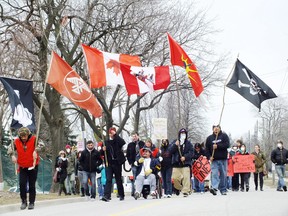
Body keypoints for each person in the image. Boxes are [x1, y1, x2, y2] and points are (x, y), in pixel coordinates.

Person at [7, 127, 41, 210]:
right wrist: (12, 155)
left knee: (32, 184)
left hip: (33, 165)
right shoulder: (16, 141)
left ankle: (32, 202)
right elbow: (9, 148)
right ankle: (23, 201)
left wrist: (36, 150)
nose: (23, 138)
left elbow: (42, 146)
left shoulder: (34, 139)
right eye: (21, 136)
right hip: (22, 166)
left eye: (25, 136)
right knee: (22, 184)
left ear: (28, 134)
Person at [101, 127, 126, 201]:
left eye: (113, 133)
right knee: (108, 179)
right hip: (109, 163)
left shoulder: (118, 141)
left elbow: (122, 142)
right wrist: (102, 150)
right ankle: (106, 195)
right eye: (110, 133)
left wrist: (116, 135)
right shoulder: (106, 142)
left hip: (117, 163)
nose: (111, 134)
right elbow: (102, 153)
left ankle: (121, 194)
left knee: (118, 179)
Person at [205, 125, 230, 196]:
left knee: (223, 174)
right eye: (214, 128)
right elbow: (206, 149)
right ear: (212, 130)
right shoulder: (209, 138)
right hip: (214, 160)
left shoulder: (224, 136)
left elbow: (227, 145)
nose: (216, 129)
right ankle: (215, 188)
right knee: (215, 174)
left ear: (220, 129)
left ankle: (223, 189)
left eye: (217, 128)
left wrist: (218, 146)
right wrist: (209, 157)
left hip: (223, 159)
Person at [170, 128, 194, 197]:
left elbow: (191, 152)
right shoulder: (175, 142)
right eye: (181, 133)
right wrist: (175, 145)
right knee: (175, 179)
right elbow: (170, 151)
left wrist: (185, 157)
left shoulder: (188, 143)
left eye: (184, 133)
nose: (183, 135)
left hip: (185, 164)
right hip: (176, 164)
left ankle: (186, 191)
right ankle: (181, 188)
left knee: (186, 178)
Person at [126, 132, 145, 196]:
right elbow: (128, 154)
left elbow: (145, 152)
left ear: (138, 136)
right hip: (133, 163)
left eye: (135, 136)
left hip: (141, 163)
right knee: (134, 177)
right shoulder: (130, 145)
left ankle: (141, 190)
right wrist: (130, 162)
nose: (134, 137)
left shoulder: (142, 143)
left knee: (141, 176)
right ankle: (134, 191)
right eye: (133, 136)